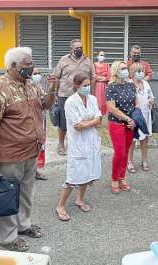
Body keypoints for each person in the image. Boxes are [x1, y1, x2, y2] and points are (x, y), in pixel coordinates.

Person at [0, 47, 58, 252]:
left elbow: (46, 105)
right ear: (13, 66)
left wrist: (52, 88)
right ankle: (8, 237)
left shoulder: (31, 84)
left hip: (32, 151)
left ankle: (23, 225)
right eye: (26, 64)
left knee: (26, 192)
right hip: (9, 155)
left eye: (31, 63)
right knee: (8, 195)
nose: (31, 67)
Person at [56, 73, 102, 222]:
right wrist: (93, 121)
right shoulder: (70, 102)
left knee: (87, 173)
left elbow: (99, 118)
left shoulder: (93, 99)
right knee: (73, 176)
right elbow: (77, 126)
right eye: (85, 86)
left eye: (89, 85)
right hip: (78, 144)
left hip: (92, 141)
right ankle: (61, 206)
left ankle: (80, 199)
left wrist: (89, 122)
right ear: (76, 86)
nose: (88, 88)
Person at [53, 39, 95, 156]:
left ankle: (78, 143)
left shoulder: (88, 61)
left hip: (82, 96)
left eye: (81, 47)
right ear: (71, 49)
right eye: (76, 48)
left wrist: (92, 94)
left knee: (82, 120)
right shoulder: (64, 60)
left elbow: (93, 78)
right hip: (65, 94)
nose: (79, 50)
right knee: (63, 122)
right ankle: (61, 144)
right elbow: (56, 77)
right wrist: (55, 94)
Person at [106, 61, 138, 194]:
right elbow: (111, 108)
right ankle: (114, 178)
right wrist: (127, 118)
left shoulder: (131, 85)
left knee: (125, 153)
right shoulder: (111, 87)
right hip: (117, 123)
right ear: (116, 71)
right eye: (122, 68)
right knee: (119, 153)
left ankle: (122, 177)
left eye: (126, 68)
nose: (126, 70)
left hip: (130, 124)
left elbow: (136, 103)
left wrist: (134, 119)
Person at [127, 62, 154, 173]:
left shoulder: (146, 83)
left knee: (145, 139)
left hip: (145, 115)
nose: (141, 73)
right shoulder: (128, 84)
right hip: (134, 116)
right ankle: (129, 161)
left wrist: (151, 100)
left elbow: (151, 95)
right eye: (138, 71)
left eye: (142, 71)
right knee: (132, 140)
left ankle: (144, 160)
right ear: (132, 73)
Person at [31, 66, 47, 181]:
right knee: (32, 146)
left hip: (41, 119)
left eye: (38, 73)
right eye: (34, 73)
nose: (37, 75)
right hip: (32, 121)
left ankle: (35, 170)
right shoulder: (26, 88)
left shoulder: (40, 87)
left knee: (40, 145)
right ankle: (31, 171)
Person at [93, 50, 110, 115]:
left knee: (104, 101)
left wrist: (101, 78)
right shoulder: (94, 65)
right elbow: (93, 76)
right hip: (96, 87)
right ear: (97, 56)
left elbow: (109, 76)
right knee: (97, 101)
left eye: (103, 55)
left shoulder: (107, 65)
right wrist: (102, 78)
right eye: (100, 55)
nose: (102, 57)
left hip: (105, 87)